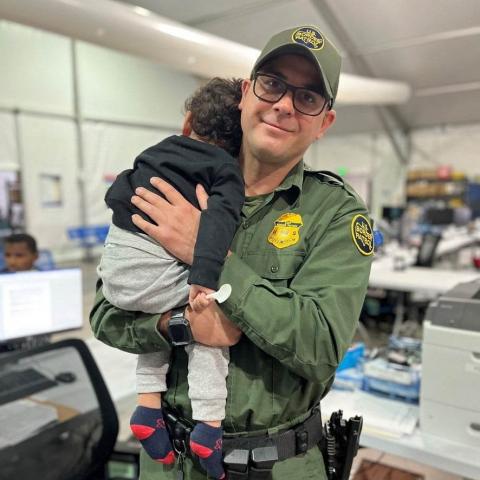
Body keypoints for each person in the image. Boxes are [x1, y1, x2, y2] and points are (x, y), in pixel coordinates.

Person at [91, 25, 374, 480]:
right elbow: (105, 314)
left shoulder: (335, 215)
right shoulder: (176, 186)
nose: (283, 104)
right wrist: (179, 325)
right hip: (169, 460)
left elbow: (321, 345)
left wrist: (209, 256)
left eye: (307, 98)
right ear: (246, 92)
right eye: (273, 84)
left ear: (325, 123)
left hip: (276, 465)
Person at [97, 78, 245, 478]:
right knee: (205, 323)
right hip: (152, 277)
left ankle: (148, 403)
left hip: (114, 277)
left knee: (162, 313)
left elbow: (117, 193)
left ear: (188, 122)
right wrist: (204, 278)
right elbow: (216, 224)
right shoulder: (227, 170)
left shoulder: (153, 152)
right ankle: (210, 426)